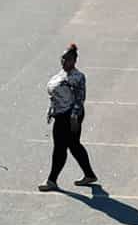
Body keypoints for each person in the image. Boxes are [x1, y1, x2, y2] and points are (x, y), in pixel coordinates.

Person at [40, 42, 98, 191]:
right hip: (60, 113)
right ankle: (89, 174)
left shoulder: (78, 77)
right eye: (63, 59)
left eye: (68, 59)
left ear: (74, 61)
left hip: (70, 115)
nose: (65, 62)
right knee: (74, 145)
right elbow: (55, 95)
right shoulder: (61, 74)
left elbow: (80, 98)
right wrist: (51, 110)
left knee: (60, 147)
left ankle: (52, 180)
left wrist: (74, 117)